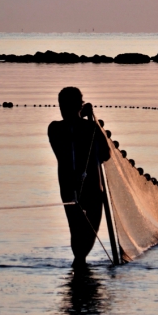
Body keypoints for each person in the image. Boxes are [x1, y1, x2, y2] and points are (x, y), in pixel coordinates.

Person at [48, 87, 111, 266]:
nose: (62, 108)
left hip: (86, 188)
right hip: (73, 188)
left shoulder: (60, 128)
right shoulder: (65, 128)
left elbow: (105, 154)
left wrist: (86, 119)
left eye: (65, 104)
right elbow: (105, 154)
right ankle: (79, 267)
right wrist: (88, 120)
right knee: (80, 233)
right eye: (61, 104)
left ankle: (79, 269)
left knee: (81, 233)